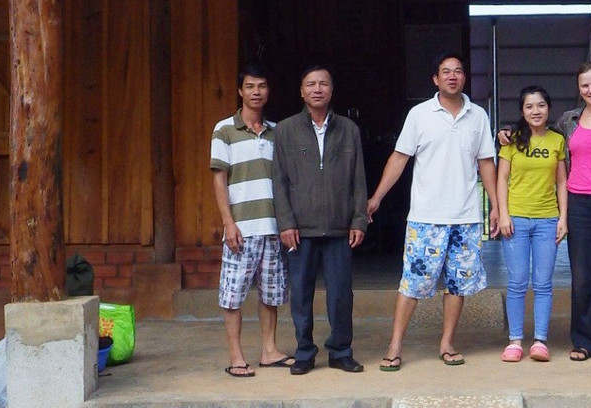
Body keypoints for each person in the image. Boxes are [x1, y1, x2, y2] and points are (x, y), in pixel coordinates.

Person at [498, 61, 591, 363]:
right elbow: (539, 134)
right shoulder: (569, 120)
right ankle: (584, 341)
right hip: (580, 205)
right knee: (582, 277)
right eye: (585, 85)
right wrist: (509, 130)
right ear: (579, 89)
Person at [367, 53, 499, 371]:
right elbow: (399, 158)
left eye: (458, 72)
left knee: (457, 285)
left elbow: (486, 163)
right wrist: (377, 197)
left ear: (464, 78)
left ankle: (447, 343)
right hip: (425, 218)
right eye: (445, 72)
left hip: (465, 217)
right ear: (435, 80)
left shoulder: (478, 115)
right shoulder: (419, 114)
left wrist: (496, 206)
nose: (452, 76)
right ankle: (395, 346)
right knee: (412, 284)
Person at [273, 66, 368, 375]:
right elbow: (280, 180)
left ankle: (341, 351)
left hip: (340, 227)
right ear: (301, 92)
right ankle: (304, 351)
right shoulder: (286, 130)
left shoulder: (349, 129)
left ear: (331, 89)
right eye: (311, 84)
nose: (317, 89)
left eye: (323, 83)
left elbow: (358, 179)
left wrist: (358, 220)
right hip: (300, 228)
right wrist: (286, 222)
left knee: (341, 294)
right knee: (300, 293)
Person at [210, 64, 293, 377]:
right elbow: (220, 179)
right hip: (241, 229)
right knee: (233, 296)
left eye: (261, 86)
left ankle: (269, 351)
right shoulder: (224, 130)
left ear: (268, 91)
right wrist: (228, 223)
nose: (256, 92)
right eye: (250, 86)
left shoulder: (277, 132)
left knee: (271, 294)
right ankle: (236, 356)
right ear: (240, 91)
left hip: (272, 228)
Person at [496, 86, 567, 363]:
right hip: (516, 219)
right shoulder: (511, 141)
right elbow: (502, 179)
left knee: (543, 283)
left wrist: (563, 217)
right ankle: (515, 341)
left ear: (548, 109)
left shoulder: (557, 140)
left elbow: (562, 181)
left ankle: (540, 341)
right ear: (522, 111)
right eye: (529, 107)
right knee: (516, 282)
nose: (535, 111)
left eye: (540, 106)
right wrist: (503, 214)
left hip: (547, 219)